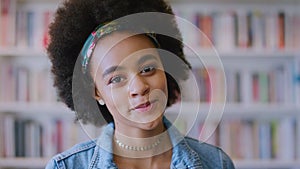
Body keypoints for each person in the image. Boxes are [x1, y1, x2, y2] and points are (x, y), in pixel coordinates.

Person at [45, 0, 235, 168]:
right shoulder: (65, 167)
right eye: (116, 79)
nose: (139, 88)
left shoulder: (217, 163)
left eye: (147, 69)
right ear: (96, 93)